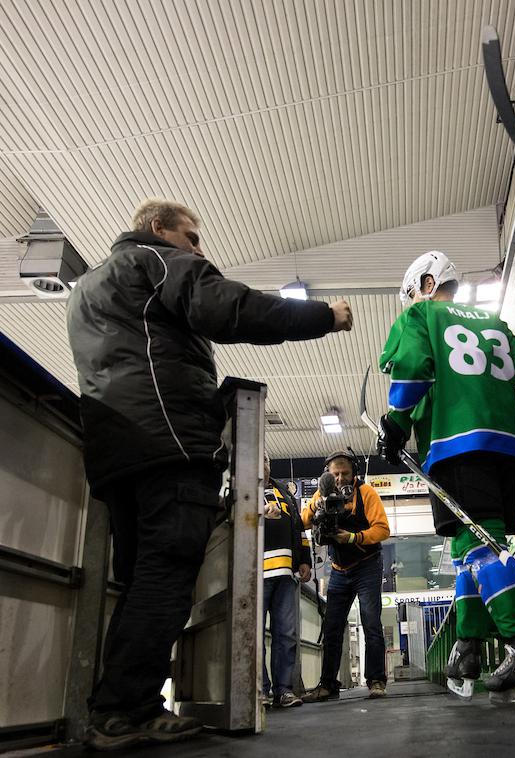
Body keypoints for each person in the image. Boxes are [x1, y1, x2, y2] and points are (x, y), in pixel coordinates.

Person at [67, 197, 351, 751]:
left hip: (117, 452)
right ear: (158, 228)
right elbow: (230, 309)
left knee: (139, 578)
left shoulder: (85, 290)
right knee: (167, 576)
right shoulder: (156, 261)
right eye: (191, 236)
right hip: (169, 440)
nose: (199, 248)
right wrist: (323, 316)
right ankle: (122, 712)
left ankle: (125, 706)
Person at [376, 250, 515, 705]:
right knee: (468, 550)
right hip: (503, 449)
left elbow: (412, 368)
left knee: (479, 545)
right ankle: (468, 648)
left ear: (424, 284)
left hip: (455, 445)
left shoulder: (421, 315)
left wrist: (397, 423)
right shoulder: (495, 324)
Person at [300, 451, 391, 702]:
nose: (340, 478)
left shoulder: (366, 494)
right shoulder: (321, 494)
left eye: (345, 474)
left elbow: (383, 529)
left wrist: (354, 537)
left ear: (354, 473)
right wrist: (317, 507)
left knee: (371, 621)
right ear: (327, 475)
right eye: (335, 474)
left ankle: (376, 680)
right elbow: (303, 521)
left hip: (367, 565)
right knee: (331, 627)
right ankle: (328, 684)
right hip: (339, 570)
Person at [262, 455, 312, 708]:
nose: (263, 464)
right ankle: (259, 691)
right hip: (254, 575)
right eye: (257, 458)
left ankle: (284, 690)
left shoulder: (283, 491)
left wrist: (305, 560)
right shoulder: (241, 490)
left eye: (266, 459)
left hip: (285, 574)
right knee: (253, 635)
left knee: (286, 634)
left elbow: (300, 530)